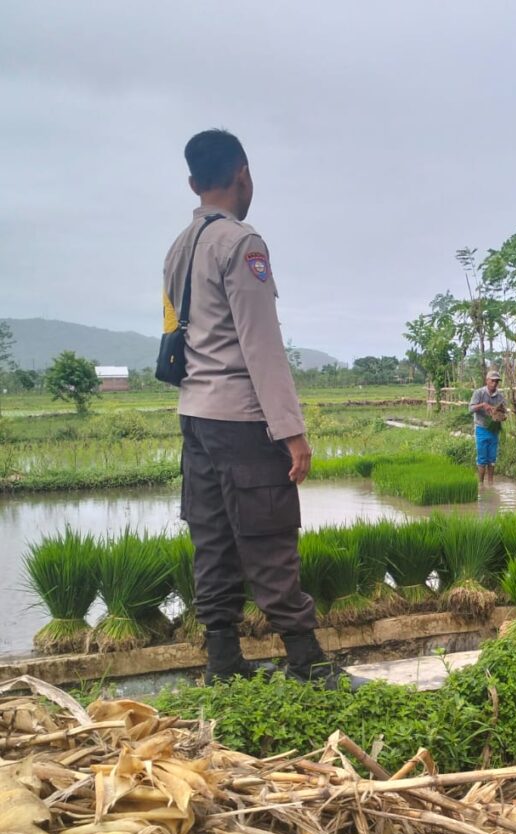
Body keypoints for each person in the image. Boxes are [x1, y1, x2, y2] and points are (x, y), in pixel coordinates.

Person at [163, 129, 337, 687]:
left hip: (196, 416)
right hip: (242, 419)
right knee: (268, 534)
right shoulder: (242, 243)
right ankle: (306, 661)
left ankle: (223, 661)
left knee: (212, 537)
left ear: (193, 183)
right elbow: (261, 343)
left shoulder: (178, 248)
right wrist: (291, 431)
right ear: (244, 173)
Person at [469, 369, 506, 485]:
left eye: (497, 382)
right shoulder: (479, 393)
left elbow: (504, 413)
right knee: (482, 458)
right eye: (492, 381)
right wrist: (482, 405)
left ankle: (490, 483)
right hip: (481, 428)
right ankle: (481, 484)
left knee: (492, 458)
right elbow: (470, 409)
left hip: (494, 429)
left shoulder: (500, 396)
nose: (494, 383)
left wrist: (500, 414)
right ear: (487, 381)